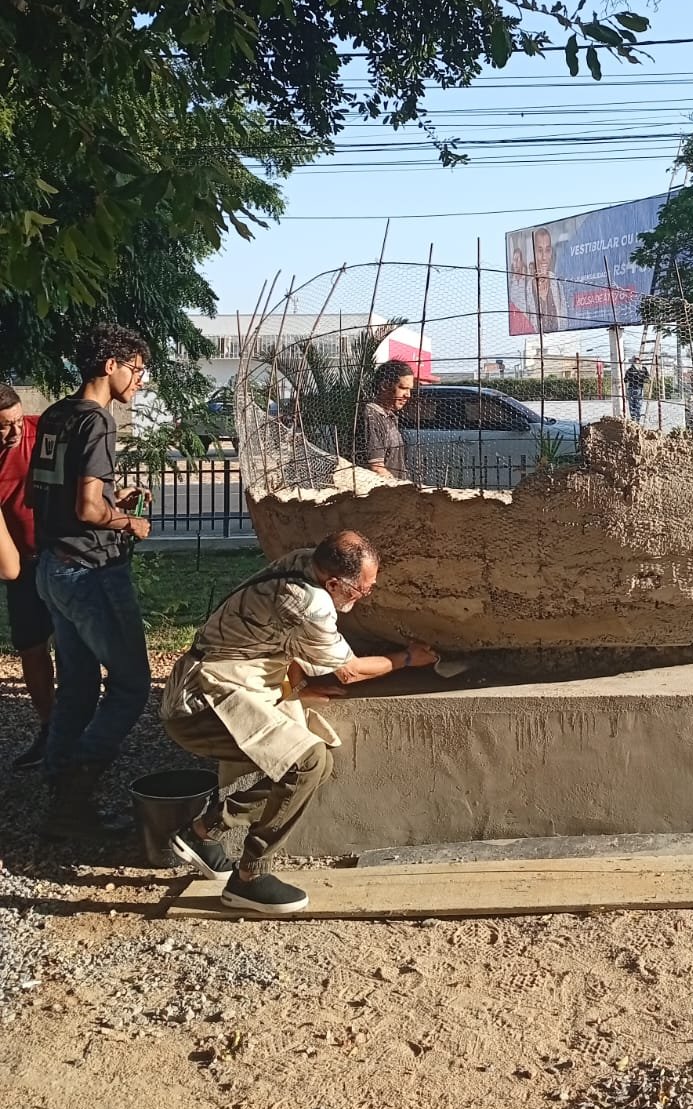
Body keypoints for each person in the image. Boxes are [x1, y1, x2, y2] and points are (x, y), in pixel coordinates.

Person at [160, 531, 440, 916]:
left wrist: (298, 685)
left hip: (236, 678)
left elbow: (282, 635)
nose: (367, 594)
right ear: (334, 583)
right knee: (306, 763)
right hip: (198, 705)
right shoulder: (312, 603)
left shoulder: (303, 560)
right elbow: (349, 672)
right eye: (363, 589)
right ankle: (249, 878)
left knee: (314, 765)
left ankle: (204, 831)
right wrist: (407, 658)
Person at [28, 325, 154, 836]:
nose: (141, 381)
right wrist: (127, 521)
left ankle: (59, 791)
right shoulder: (99, 421)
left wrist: (110, 497)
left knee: (78, 685)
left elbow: (53, 494)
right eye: (137, 370)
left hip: (52, 568)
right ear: (111, 365)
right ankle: (77, 792)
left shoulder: (57, 414)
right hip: (91, 572)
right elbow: (85, 508)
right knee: (132, 685)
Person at [0, 385, 56, 769]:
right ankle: (49, 727)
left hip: (58, 555)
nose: (15, 431)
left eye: (18, 421)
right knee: (32, 648)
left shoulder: (43, 433)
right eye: (4, 425)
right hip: (19, 564)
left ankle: (79, 726)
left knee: (72, 645)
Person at [355, 360, 414, 479]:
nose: (408, 395)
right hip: (381, 488)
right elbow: (376, 468)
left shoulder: (388, 416)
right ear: (384, 386)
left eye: (410, 389)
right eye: (403, 388)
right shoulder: (371, 416)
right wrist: (400, 487)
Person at [529, 228, 569, 333]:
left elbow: (564, 321)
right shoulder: (527, 289)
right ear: (534, 252)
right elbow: (526, 324)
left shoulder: (557, 285)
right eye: (540, 250)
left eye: (547, 250)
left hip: (558, 339)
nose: (544, 257)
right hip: (536, 340)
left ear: (551, 252)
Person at [625, 357, 650, 423]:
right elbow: (648, 378)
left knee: (633, 404)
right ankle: (636, 419)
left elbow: (625, 380)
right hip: (636, 388)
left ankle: (634, 419)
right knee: (637, 404)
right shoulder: (642, 369)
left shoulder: (630, 370)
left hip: (634, 388)